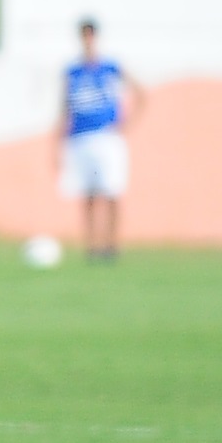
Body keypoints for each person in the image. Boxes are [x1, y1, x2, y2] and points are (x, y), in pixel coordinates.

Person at [57, 17, 145, 261]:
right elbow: (64, 108)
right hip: (80, 138)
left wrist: (127, 123)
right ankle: (92, 246)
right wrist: (58, 143)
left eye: (90, 35)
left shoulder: (110, 68)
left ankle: (112, 245)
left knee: (111, 191)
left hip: (107, 137)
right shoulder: (72, 72)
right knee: (89, 194)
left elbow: (140, 92)